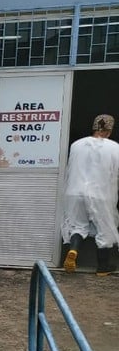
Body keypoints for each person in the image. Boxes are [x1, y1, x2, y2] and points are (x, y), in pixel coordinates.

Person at [61, 113, 119, 275]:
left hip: (74, 192)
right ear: (109, 130)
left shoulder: (76, 145)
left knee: (77, 224)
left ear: (94, 127)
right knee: (104, 228)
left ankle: (73, 251)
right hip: (100, 194)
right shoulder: (114, 147)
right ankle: (102, 267)